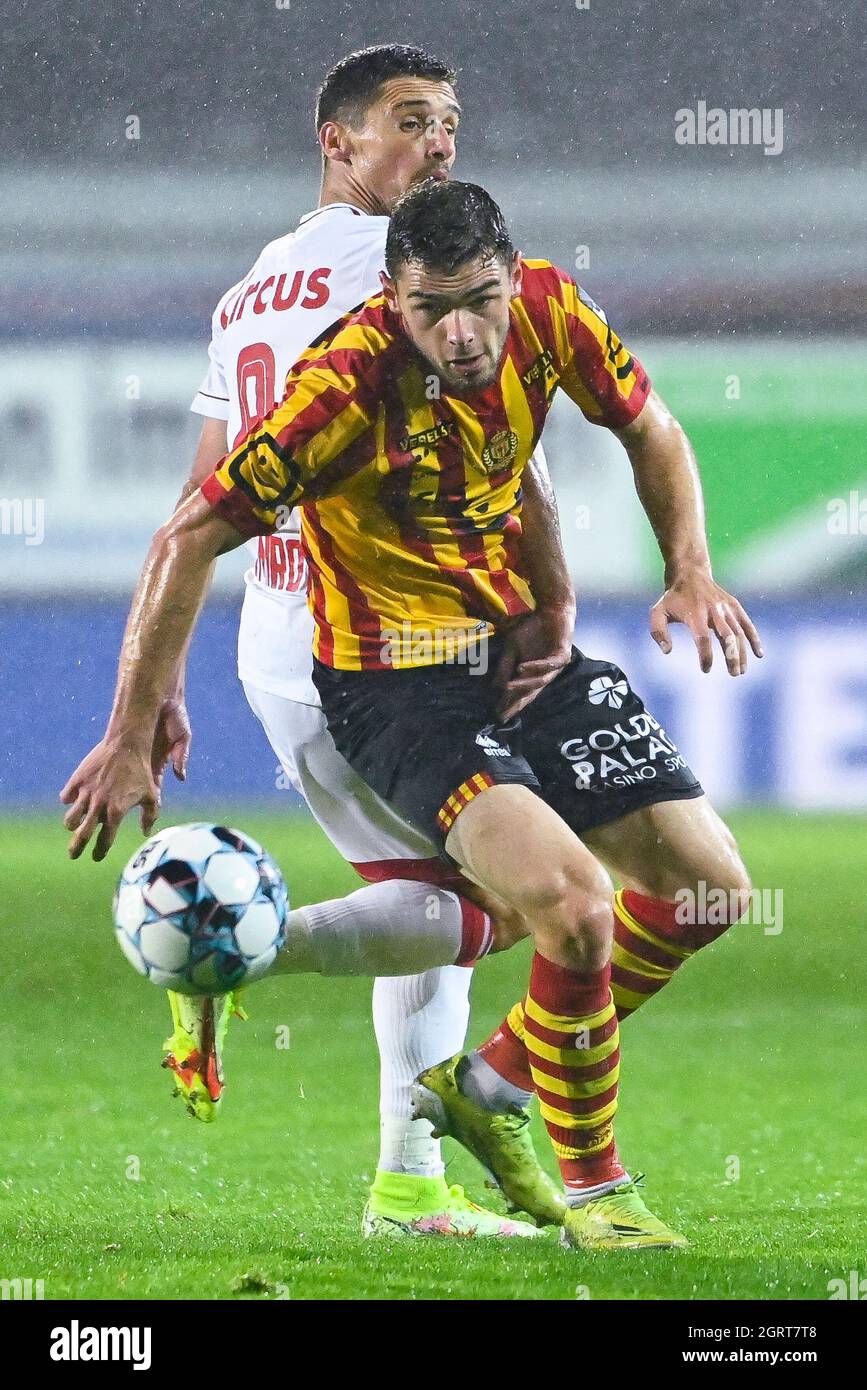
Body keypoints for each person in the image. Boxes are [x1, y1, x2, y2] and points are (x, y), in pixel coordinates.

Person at [60, 178, 762, 1249]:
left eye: (480, 298)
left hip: (518, 649)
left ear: (510, 277)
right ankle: (598, 1194)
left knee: (711, 892)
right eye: (433, 309)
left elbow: (649, 427)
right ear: (393, 298)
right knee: (566, 906)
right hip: (396, 683)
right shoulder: (341, 383)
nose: (464, 331)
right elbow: (188, 532)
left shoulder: (550, 309)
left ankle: (482, 1082)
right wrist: (130, 721)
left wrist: (690, 570)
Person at [63, 45, 573, 1241]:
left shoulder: (252, 286)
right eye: (411, 122)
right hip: (378, 645)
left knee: (430, 894)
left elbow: (200, 502)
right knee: (511, 902)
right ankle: (232, 944)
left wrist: (160, 685)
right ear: (339, 142)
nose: (441, 143)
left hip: (273, 643)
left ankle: (407, 1187)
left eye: (450, 121)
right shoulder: (416, 278)